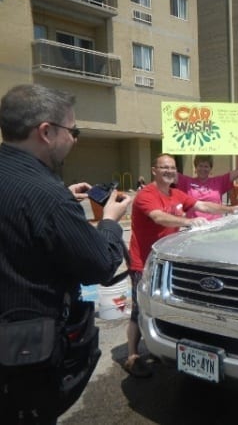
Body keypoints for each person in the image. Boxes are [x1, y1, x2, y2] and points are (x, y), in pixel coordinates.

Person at [0, 84, 131, 424]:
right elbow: (101, 266)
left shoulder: (45, 194)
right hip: (28, 363)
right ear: (46, 132)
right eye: (74, 131)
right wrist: (110, 221)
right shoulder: (48, 197)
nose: (75, 140)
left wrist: (62, 203)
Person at [125, 153, 238, 377]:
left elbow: (204, 206)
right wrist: (188, 221)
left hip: (167, 261)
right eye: (163, 167)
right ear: (154, 170)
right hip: (144, 262)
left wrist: (232, 210)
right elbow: (159, 218)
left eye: (171, 167)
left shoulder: (176, 193)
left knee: (163, 304)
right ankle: (132, 356)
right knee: (139, 308)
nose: (168, 171)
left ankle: (157, 345)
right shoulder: (146, 194)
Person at [176, 154, 238, 220]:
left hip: (215, 225)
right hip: (194, 225)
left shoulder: (219, 181)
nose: (203, 169)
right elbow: (169, 173)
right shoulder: (186, 181)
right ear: (195, 168)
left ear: (210, 169)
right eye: (200, 166)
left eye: (206, 166)